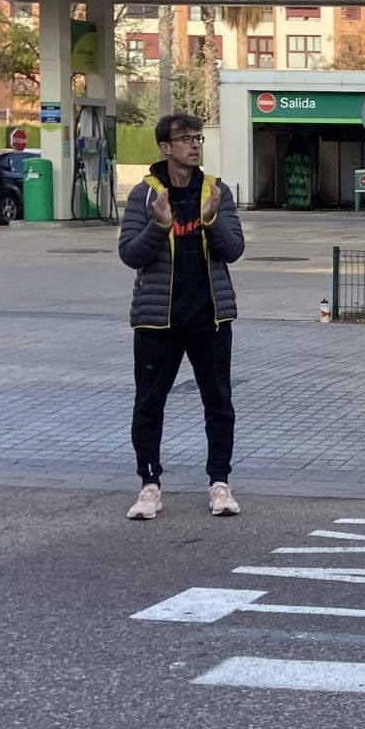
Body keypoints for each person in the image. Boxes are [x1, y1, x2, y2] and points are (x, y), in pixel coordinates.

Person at [117, 113, 246, 521]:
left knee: (219, 404)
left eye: (198, 138)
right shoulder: (144, 195)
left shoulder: (217, 191)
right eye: (185, 139)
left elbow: (234, 250)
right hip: (158, 323)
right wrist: (158, 227)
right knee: (149, 405)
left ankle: (219, 484)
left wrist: (210, 220)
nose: (194, 145)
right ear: (165, 147)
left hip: (210, 319)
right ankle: (149, 486)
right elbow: (130, 255)